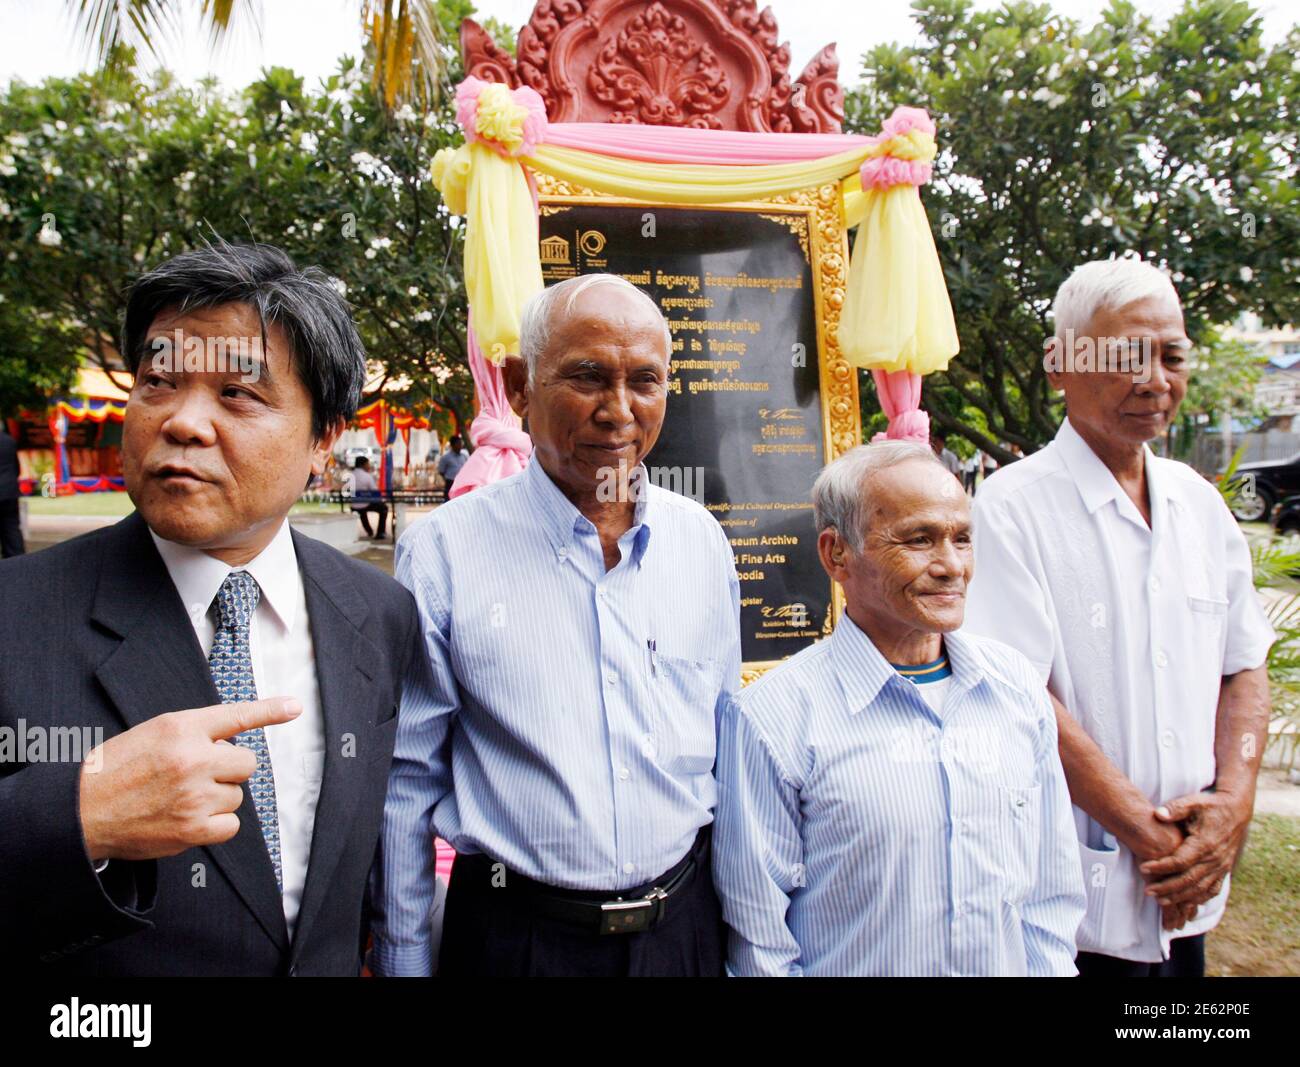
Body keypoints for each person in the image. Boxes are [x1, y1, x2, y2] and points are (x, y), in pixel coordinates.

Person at [0, 242, 419, 975]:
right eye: (158, 382)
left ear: (323, 439)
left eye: (238, 394)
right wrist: (82, 815)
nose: (184, 422)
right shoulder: (16, 616)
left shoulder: (378, 612)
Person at [370, 274, 741, 977]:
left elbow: (730, 752)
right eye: (589, 376)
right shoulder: (447, 551)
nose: (619, 411)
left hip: (682, 932)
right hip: (518, 942)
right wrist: (404, 962)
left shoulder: (701, 543)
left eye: (646, 381)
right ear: (518, 385)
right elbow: (405, 783)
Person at [965, 258, 1274, 977]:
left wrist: (1232, 805)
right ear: (1061, 365)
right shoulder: (1011, 510)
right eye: (1126, 355)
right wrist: (1149, 836)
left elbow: (1243, 664)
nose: (1155, 380)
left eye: (1171, 355)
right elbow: (1019, 693)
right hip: (1078, 904)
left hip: (1192, 892)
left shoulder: (1200, 504)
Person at [714, 441, 1084, 976]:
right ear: (836, 554)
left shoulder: (1016, 690)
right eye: (919, 540)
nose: (951, 566)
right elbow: (761, 947)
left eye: (962, 539)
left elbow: (1049, 898)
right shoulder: (773, 719)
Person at [350, 456, 389, 540]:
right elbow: (374, 491)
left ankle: (369, 531)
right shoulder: (367, 476)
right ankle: (380, 533)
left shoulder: (350, 475)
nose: (369, 466)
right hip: (365, 503)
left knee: (361, 511)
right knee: (384, 508)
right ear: (362, 465)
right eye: (367, 464)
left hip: (353, 504)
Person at [0, 422, 22, 557]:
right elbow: (16, 467)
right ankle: (17, 563)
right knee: (11, 530)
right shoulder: (10, 441)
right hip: (9, 492)